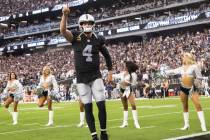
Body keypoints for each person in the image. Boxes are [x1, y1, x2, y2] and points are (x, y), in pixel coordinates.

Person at [60, 5, 112, 140]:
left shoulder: (99, 38)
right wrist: (65, 15)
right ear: (81, 25)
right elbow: (63, 30)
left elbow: (107, 55)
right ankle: (94, 136)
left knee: (101, 104)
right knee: (87, 107)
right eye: (84, 23)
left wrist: (110, 71)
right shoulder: (75, 36)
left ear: (93, 24)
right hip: (81, 78)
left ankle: (104, 132)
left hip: (95, 75)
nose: (87, 25)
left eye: (89, 23)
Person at [164, 52, 207, 131]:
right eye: (183, 57)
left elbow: (200, 77)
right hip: (183, 88)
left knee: (198, 105)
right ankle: (186, 125)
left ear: (189, 58)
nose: (183, 58)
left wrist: (195, 85)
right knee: (185, 106)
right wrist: (165, 71)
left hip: (192, 88)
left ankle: (203, 125)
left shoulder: (194, 66)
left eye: (184, 56)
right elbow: (173, 71)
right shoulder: (181, 68)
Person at [113, 61, 140, 129]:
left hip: (128, 90)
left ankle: (136, 122)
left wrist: (120, 81)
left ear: (128, 67)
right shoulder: (123, 73)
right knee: (125, 107)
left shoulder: (133, 74)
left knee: (133, 105)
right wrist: (111, 74)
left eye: (125, 65)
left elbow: (130, 83)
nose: (124, 66)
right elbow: (116, 76)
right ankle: (125, 123)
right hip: (122, 90)